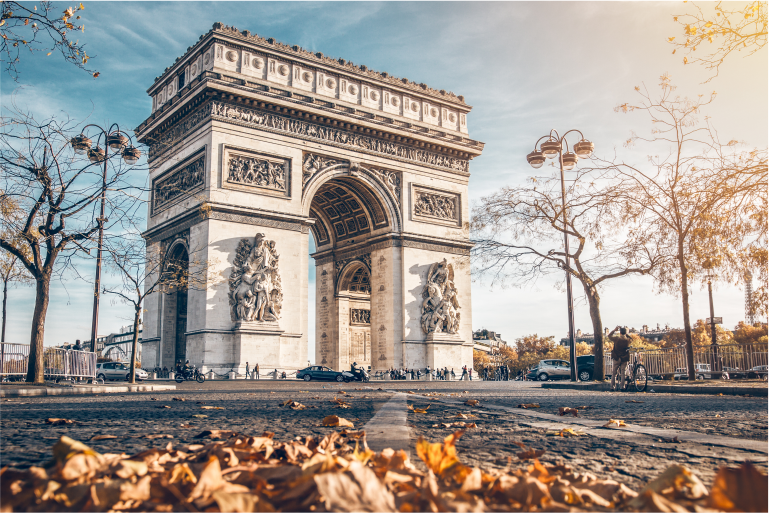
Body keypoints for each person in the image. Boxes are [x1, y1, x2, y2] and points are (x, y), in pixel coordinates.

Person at [609, 325, 632, 391]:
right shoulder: (628, 340)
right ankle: (622, 387)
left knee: (614, 373)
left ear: (620, 333)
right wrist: (626, 334)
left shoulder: (616, 339)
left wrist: (614, 330)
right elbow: (631, 339)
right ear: (625, 333)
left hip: (617, 358)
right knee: (623, 373)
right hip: (624, 358)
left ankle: (612, 387)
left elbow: (609, 336)